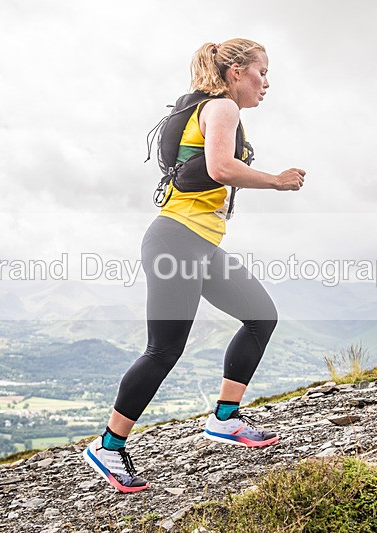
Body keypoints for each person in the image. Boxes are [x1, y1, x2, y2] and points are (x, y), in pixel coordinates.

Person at [82, 38, 306, 493]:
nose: (267, 82)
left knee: (261, 317)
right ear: (237, 72)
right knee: (164, 349)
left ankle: (225, 418)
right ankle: (107, 445)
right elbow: (221, 168)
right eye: (263, 72)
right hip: (177, 241)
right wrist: (277, 181)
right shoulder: (223, 108)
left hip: (199, 244)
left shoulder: (213, 108)